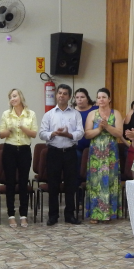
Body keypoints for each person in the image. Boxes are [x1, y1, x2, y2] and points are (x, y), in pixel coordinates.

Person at [39, 83, 84, 225]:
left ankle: (70, 215)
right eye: (60, 93)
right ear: (56, 95)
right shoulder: (49, 114)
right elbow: (41, 133)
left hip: (70, 152)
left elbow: (81, 132)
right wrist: (53, 133)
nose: (61, 96)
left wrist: (69, 135)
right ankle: (53, 215)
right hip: (54, 152)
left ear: (69, 97)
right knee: (53, 184)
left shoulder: (75, 114)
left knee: (71, 184)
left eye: (65, 93)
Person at [0, 89, 38, 228]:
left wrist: (22, 127)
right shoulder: (6, 114)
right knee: (10, 182)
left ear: (20, 96)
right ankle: (10, 215)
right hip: (9, 149)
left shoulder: (30, 114)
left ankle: (23, 215)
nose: (12, 99)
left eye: (14, 96)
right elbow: (1, 135)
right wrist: (9, 130)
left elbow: (33, 133)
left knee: (23, 182)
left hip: (24, 150)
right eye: (10, 97)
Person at [84, 88, 124, 223]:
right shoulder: (92, 114)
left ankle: (110, 213)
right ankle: (95, 214)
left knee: (110, 182)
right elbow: (87, 134)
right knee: (96, 183)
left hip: (111, 153)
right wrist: (99, 129)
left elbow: (119, 133)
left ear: (109, 99)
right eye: (99, 97)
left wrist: (107, 127)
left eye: (104, 97)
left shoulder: (116, 113)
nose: (101, 100)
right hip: (96, 152)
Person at [74, 88, 97, 174]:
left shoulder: (95, 109)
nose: (79, 99)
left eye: (82, 97)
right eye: (77, 97)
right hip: (77, 145)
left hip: (93, 144)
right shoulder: (72, 111)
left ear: (87, 98)